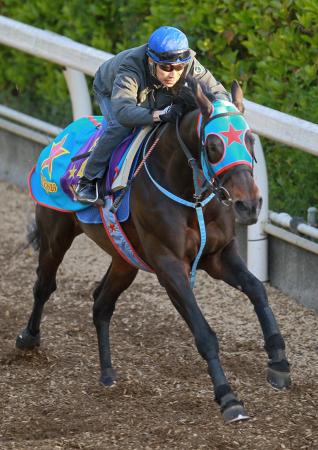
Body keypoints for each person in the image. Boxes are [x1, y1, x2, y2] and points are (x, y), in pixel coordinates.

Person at [75, 25, 230, 205]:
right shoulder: (130, 68)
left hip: (155, 92)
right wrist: (160, 115)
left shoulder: (190, 64)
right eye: (166, 67)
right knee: (120, 127)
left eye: (179, 67)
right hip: (111, 91)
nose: (173, 74)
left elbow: (220, 94)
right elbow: (124, 112)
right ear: (151, 61)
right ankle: (87, 181)